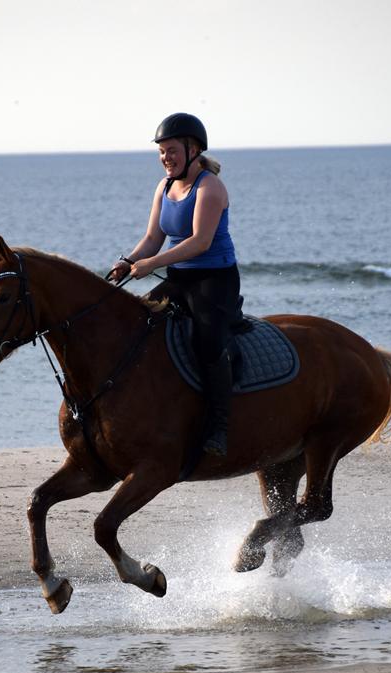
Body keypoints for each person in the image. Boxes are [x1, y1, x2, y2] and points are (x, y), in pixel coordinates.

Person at [109, 112, 242, 457]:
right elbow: (153, 237)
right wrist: (128, 261)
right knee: (138, 326)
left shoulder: (210, 188)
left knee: (208, 342)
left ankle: (220, 427)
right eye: (162, 152)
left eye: (172, 150)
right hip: (179, 278)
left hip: (214, 279)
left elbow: (200, 242)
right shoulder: (164, 187)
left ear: (193, 149)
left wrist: (151, 264)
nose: (166, 158)